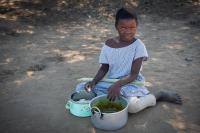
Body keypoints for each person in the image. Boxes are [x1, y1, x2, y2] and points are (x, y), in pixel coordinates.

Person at [74, 7, 182, 113]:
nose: (128, 31)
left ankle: (159, 95)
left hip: (131, 82)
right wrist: (94, 81)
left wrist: (118, 85)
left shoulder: (138, 46)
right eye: (123, 28)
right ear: (116, 26)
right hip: (112, 81)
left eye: (132, 28)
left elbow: (134, 75)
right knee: (82, 88)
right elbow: (104, 68)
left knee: (132, 107)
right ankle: (109, 95)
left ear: (136, 26)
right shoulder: (108, 45)